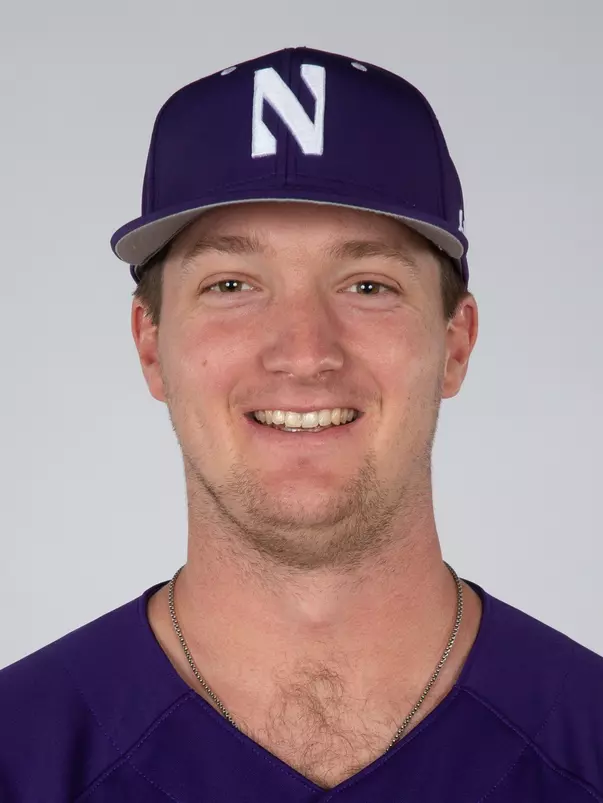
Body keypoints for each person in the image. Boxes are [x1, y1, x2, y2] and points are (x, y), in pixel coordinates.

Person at [1, 46, 602, 803]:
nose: (305, 351)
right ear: (151, 344)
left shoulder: (588, 739)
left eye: (366, 283)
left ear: (454, 343)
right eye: (230, 283)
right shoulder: (20, 752)